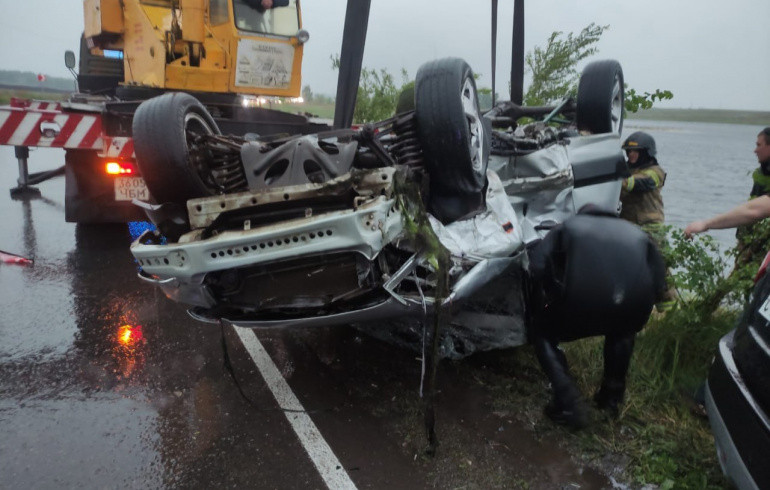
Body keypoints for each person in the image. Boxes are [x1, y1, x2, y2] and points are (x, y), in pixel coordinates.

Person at [528, 205, 666, 429]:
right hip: (630, 309)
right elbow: (660, 282)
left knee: (542, 333)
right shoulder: (640, 235)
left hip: (579, 304)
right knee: (622, 333)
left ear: (583, 215)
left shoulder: (567, 227)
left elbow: (537, 266)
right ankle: (610, 400)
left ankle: (567, 400)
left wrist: (552, 292)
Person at [619, 131, 677, 311]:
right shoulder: (625, 171)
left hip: (651, 228)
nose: (630, 155)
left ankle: (669, 311)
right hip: (627, 227)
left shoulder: (655, 172)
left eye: (634, 151)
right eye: (628, 152)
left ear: (647, 152)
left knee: (660, 268)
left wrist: (615, 179)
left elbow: (639, 183)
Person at [684, 127, 770, 242]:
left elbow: (752, 211)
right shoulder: (762, 174)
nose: (755, 150)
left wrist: (706, 224)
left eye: (759, 145)